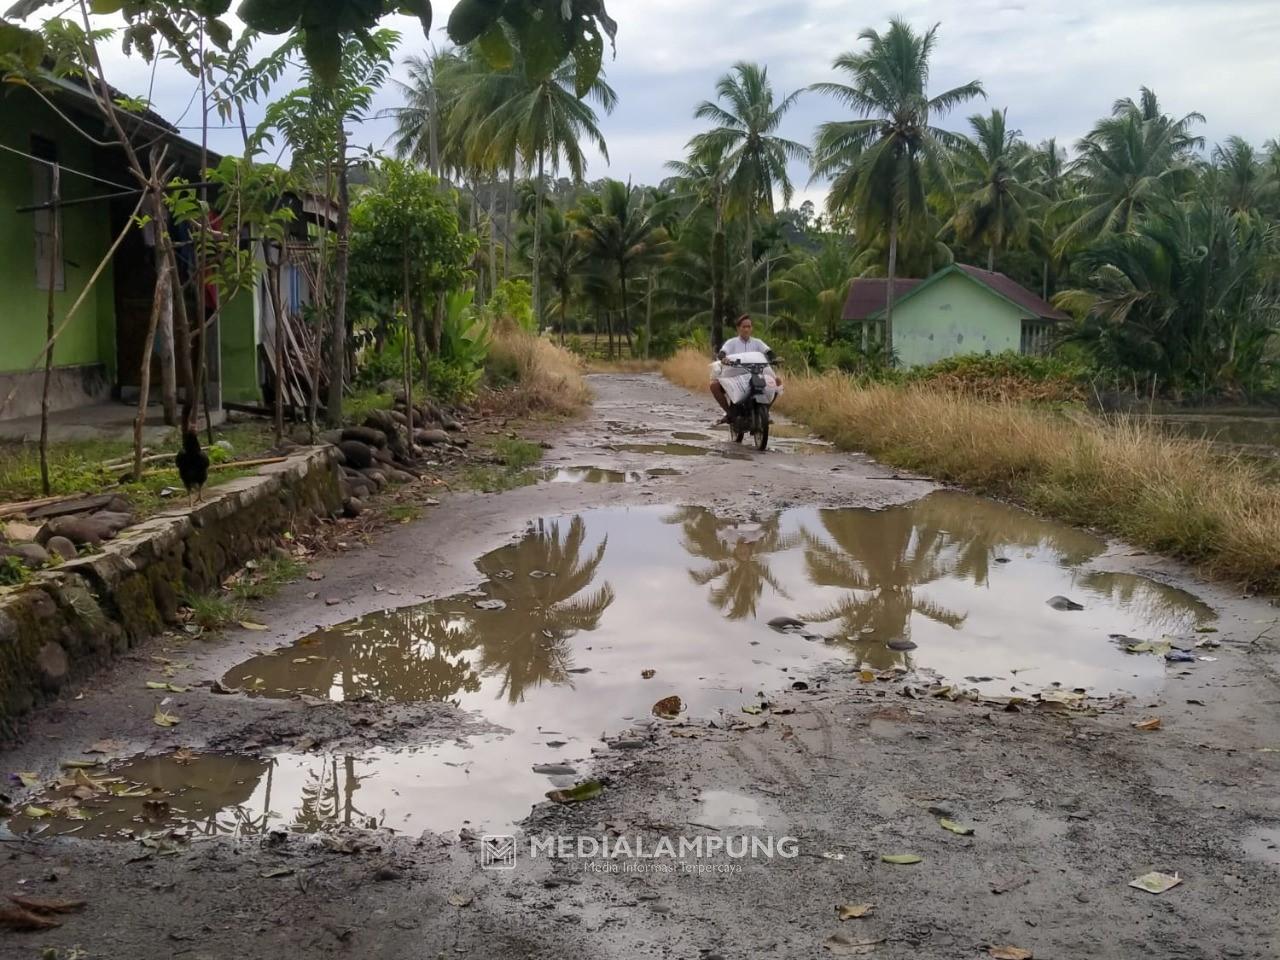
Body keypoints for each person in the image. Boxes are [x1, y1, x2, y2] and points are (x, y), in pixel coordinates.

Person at [710, 314, 779, 414]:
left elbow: (768, 352)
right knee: (714, 386)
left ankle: (765, 412)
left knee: (777, 382)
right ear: (738, 328)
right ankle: (729, 413)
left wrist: (774, 359)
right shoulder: (731, 342)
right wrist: (723, 358)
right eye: (744, 327)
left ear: (752, 328)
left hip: (756, 374)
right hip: (736, 377)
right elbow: (722, 353)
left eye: (749, 327)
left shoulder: (758, 342)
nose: (746, 329)